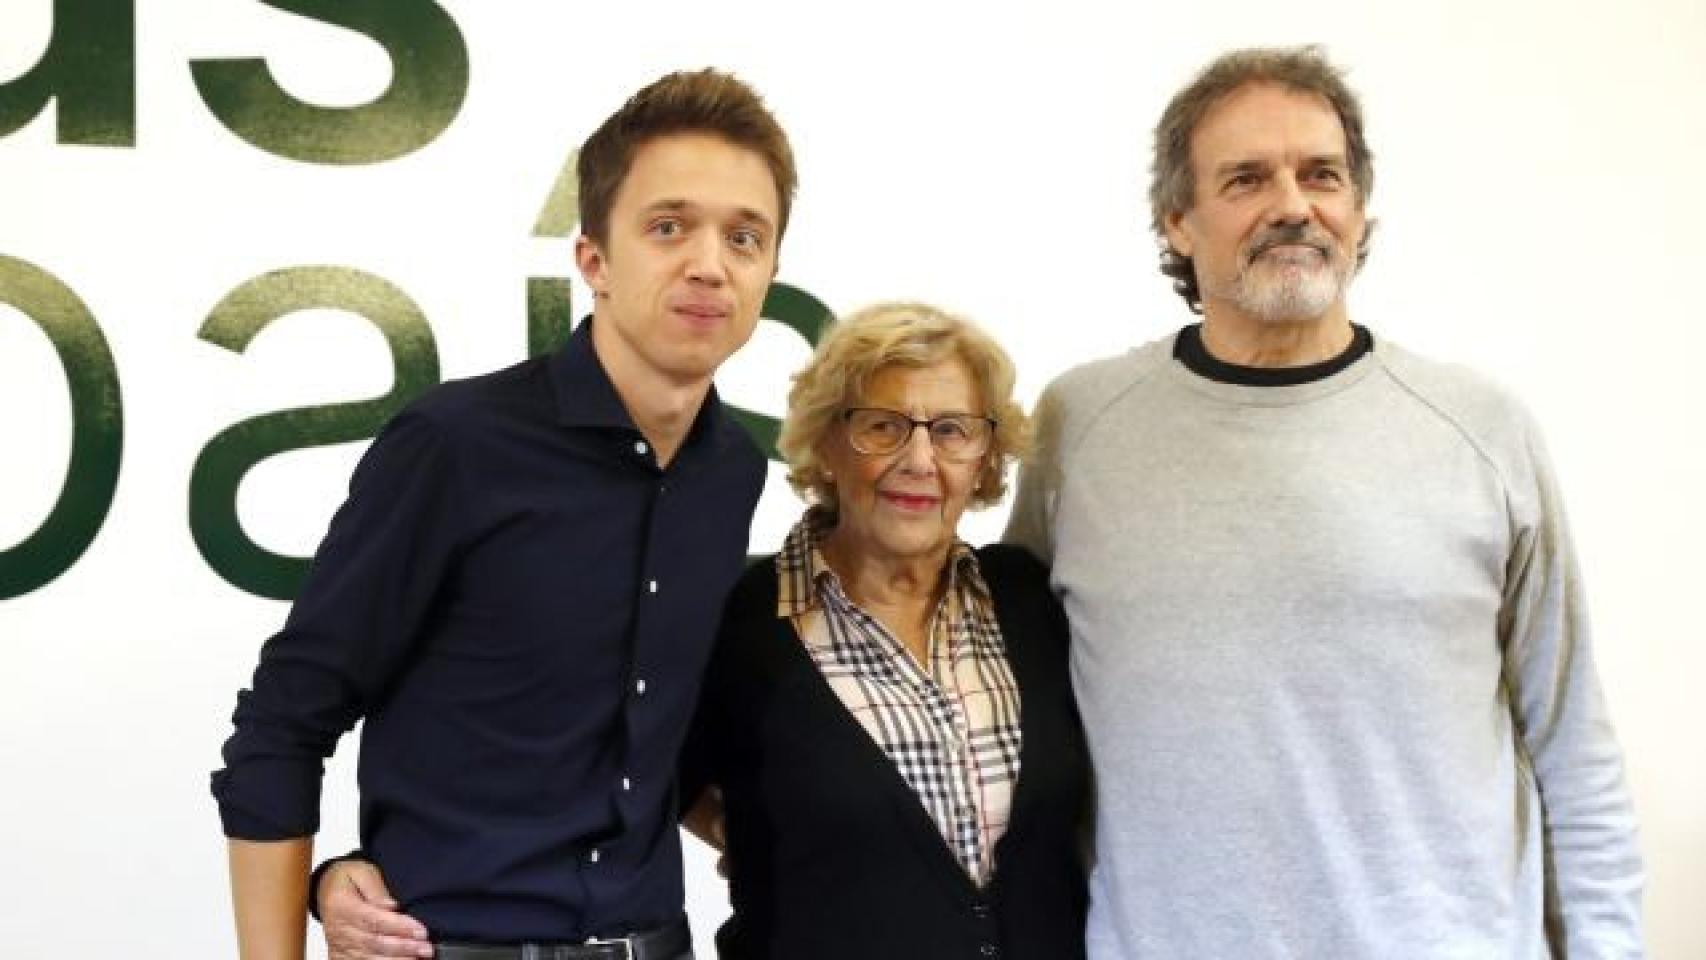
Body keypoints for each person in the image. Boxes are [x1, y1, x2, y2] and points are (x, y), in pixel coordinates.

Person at [1004, 46, 1646, 959]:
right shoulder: (1080, 426)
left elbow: (1572, 746)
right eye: (1247, 179)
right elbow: (1015, 712)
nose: (1294, 205)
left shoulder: (1482, 429)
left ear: (1358, 208)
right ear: (1177, 220)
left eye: (1322, 175)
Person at [211, 67, 795, 960]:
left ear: (770, 273)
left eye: (744, 237)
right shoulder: (457, 446)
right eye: (669, 226)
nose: (709, 263)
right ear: (593, 257)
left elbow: (650, 747)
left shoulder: (734, 472)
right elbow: (282, 723)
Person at [320, 302, 1091, 959]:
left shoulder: (1029, 601)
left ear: (988, 455)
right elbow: (590, 786)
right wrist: (349, 875)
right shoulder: (738, 625)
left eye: (953, 430)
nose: (920, 459)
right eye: (882, 426)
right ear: (826, 442)